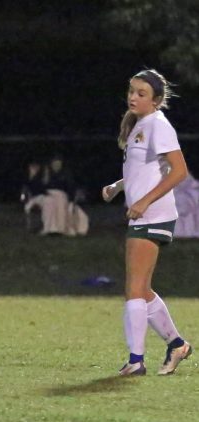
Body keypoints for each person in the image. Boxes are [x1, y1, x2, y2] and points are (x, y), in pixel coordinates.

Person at [101, 69, 192, 376]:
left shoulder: (158, 124)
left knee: (134, 288)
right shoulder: (141, 125)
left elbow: (179, 171)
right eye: (131, 91)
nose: (133, 97)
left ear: (156, 100)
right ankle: (177, 344)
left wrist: (144, 201)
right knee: (143, 288)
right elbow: (143, 172)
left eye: (141, 93)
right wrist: (118, 186)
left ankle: (136, 360)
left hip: (154, 214)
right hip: (146, 214)